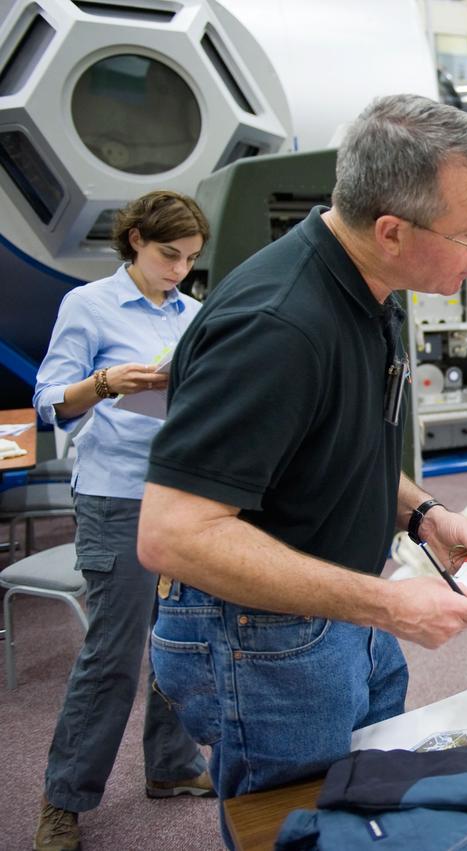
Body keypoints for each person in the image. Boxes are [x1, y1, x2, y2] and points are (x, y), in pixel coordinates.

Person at [135, 95, 467, 839]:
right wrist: (389, 606)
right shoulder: (277, 325)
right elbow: (173, 535)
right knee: (298, 827)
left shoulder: (374, 287)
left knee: (362, 811)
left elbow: (344, 444)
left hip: (341, 606)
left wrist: (422, 514)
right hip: (263, 638)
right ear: (392, 229)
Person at [31, 190, 214, 851]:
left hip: (183, 492)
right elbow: (52, 400)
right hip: (115, 496)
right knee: (112, 658)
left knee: (182, 639)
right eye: (170, 255)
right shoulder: (89, 305)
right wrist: (108, 382)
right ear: (134, 238)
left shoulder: (196, 313)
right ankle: (63, 800)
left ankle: (171, 765)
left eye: (192, 259)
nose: (180, 271)